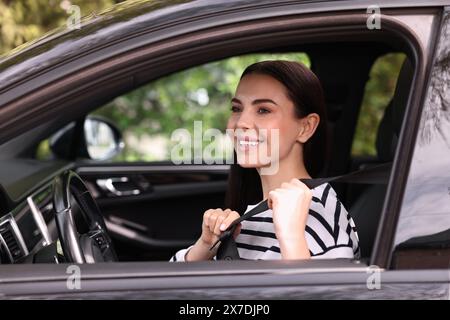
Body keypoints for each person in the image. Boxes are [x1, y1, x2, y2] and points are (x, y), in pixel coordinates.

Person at [170, 60, 359, 261]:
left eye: (263, 110)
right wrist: (205, 247)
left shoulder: (321, 218)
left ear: (306, 127)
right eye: (236, 108)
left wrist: (291, 237)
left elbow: (328, 291)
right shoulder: (256, 212)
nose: (241, 123)